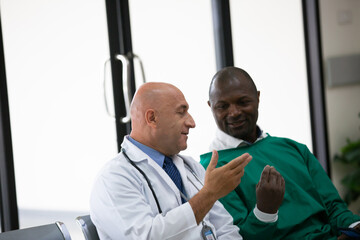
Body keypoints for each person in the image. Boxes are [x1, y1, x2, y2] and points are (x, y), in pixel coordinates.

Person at [200, 66, 360, 240]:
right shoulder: (211, 170)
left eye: (243, 102)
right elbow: (236, 237)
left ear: (258, 98)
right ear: (211, 107)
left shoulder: (293, 148)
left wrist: (354, 226)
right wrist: (264, 211)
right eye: (222, 106)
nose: (234, 112)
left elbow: (334, 207)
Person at [90, 82, 252, 239]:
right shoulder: (114, 178)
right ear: (152, 118)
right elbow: (146, 237)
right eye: (181, 112)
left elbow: (225, 228)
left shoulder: (191, 167)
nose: (192, 123)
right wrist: (209, 194)